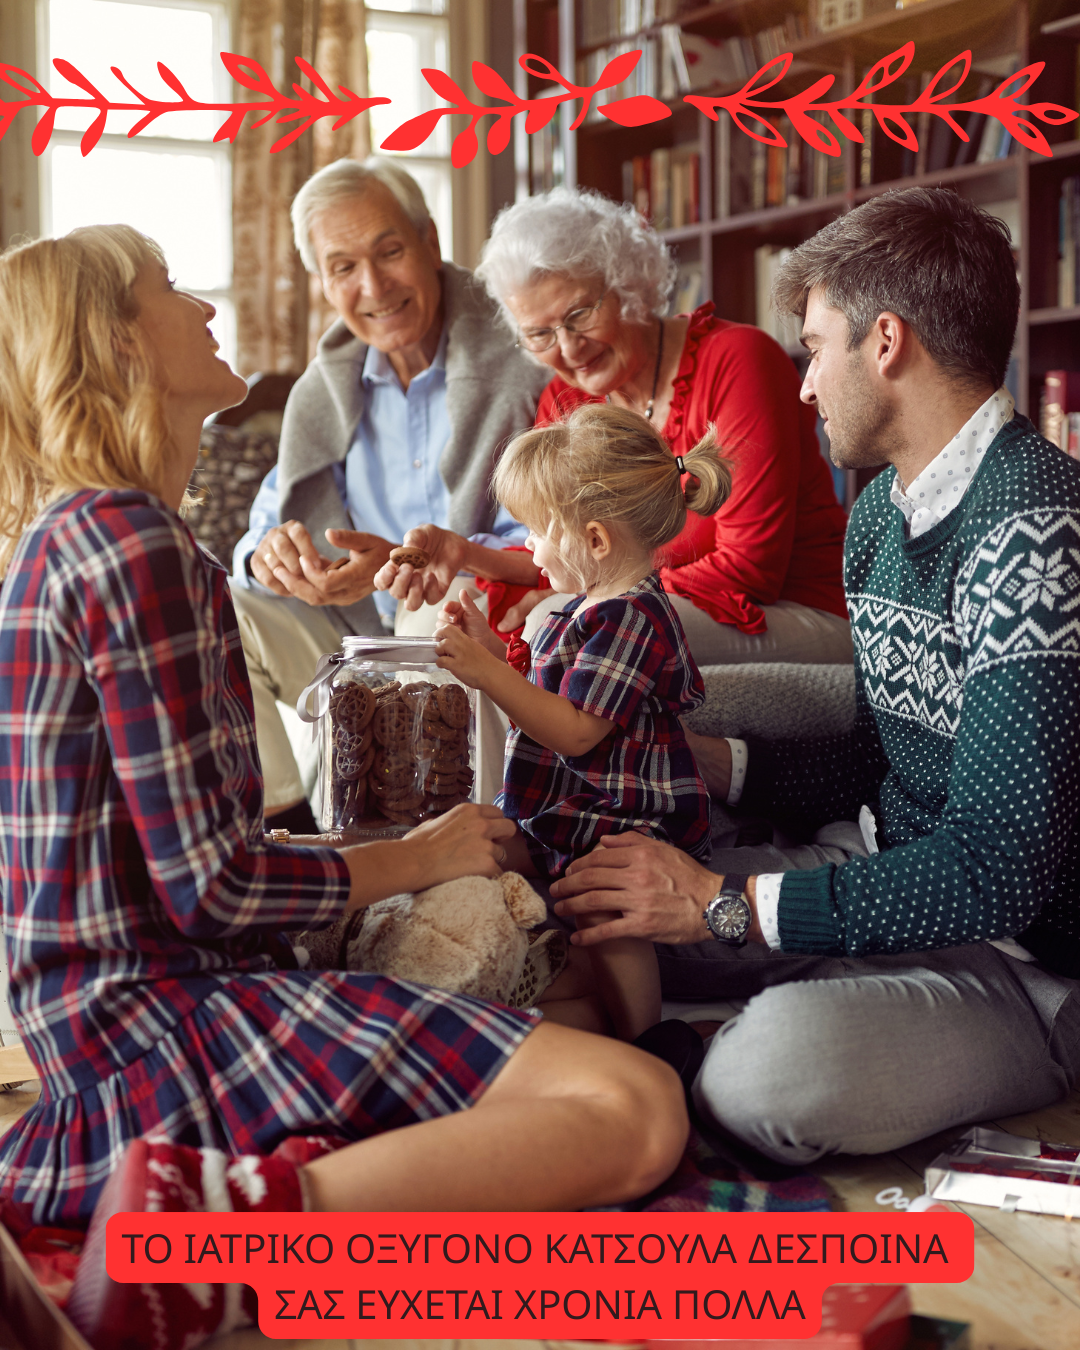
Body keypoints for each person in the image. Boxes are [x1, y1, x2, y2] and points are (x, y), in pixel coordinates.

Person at [0, 225, 689, 1335]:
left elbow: (176, 870)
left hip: (94, 1031)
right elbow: (211, 894)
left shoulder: (72, 533)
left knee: (566, 1033)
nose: (210, 310)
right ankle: (208, 1244)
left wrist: (381, 862)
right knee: (636, 1105)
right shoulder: (131, 541)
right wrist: (424, 855)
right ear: (116, 345)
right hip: (157, 1034)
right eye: (172, 290)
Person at [545, 187, 1080, 1165]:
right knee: (601, 921)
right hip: (877, 868)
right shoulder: (880, 517)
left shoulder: (1032, 530)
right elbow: (882, 759)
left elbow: (1003, 870)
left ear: (886, 344)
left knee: (761, 1076)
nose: (803, 386)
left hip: (1029, 962)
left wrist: (722, 903)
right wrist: (712, 765)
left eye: (814, 347)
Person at [376, 186, 851, 668]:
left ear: (627, 284)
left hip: (788, 613)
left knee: (557, 627)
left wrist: (575, 605)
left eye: (579, 314)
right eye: (539, 334)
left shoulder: (738, 361)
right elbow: (565, 552)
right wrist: (464, 553)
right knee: (447, 610)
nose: (568, 347)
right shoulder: (566, 400)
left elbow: (748, 570)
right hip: (655, 601)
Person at [230, 157, 553, 831]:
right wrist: (270, 556)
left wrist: (430, 563)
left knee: (437, 613)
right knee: (220, 608)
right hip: (354, 635)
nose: (372, 285)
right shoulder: (326, 388)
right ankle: (293, 835)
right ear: (322, 282)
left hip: (467, 615)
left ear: (431, 243)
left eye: (390, 251)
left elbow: (557, 531)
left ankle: (462, 851)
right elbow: (267, 526)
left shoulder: (519, 356)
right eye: (343, 267)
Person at [434, 404, 729, 1041]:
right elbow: (552, 686)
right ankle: (543, 990)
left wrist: (491, 678)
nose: (529, 549)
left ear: (595, 540)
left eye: (537, 531)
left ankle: (649, 1040)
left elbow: (575, 729)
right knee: (478, 848)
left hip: (620, 816)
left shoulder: (632, 615)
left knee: (607, 908)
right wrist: (493, 652)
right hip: (569, 805)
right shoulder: (585, 608)